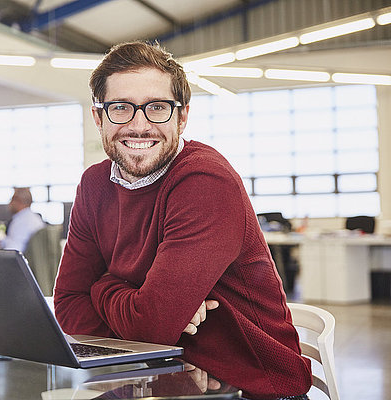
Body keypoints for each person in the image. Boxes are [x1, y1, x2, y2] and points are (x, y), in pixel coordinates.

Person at [53, 42, 312, 400]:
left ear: (182, 116)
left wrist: (101, 287)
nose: (139, 126)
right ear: (99, 117)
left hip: (251, 387)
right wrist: (143, 309)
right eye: (120, 108)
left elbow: (151, 326)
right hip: (155, 372)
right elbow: (67, 306)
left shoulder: (204, 180)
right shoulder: (95, 185)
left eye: (157, 108)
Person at [0, 187, 45, 252]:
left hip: (22, 260)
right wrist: (1, 242)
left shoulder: (21, 221)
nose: (10, 203)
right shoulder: (35, 218)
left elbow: (13, 250)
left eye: (12, 199)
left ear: (18, 201)